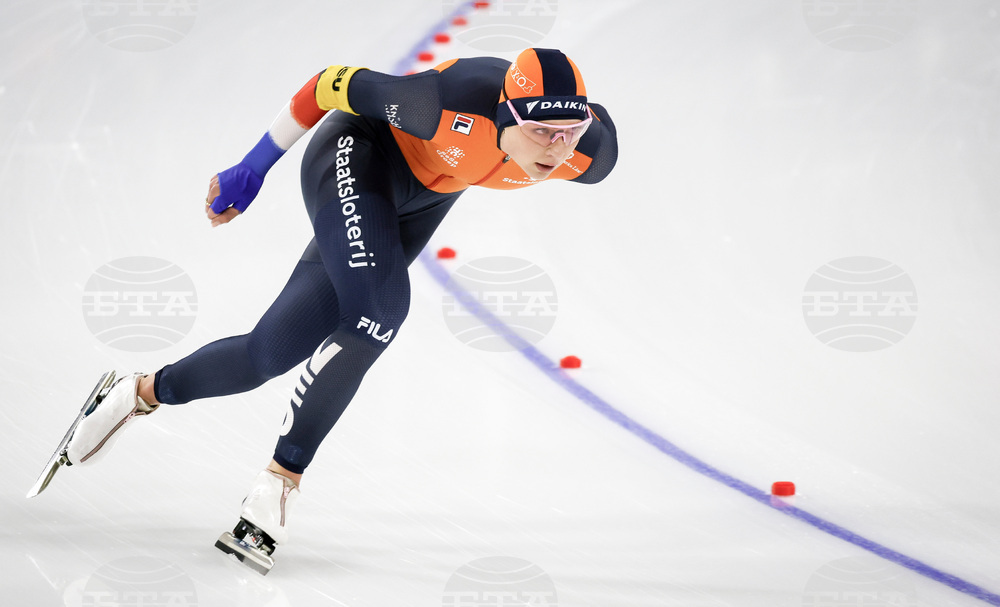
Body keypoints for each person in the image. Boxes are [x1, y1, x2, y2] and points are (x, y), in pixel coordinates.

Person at [60, 47, 618, 567]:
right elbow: (327, 85)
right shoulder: (438, 105)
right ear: (504, 116)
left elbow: (574, 142)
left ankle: (138, 393)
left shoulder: (587, 154)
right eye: (542, 132)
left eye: (570, 133)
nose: (556, 149)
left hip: (420, 203)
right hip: (358, 156)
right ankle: (279, 483)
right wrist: (253, 166)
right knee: (380, 312)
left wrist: (570, 137)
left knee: (266, 355)